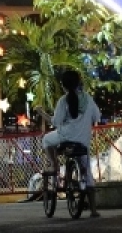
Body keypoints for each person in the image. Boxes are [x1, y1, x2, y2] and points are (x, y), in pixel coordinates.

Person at [42, 70, 101, 218]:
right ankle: (94, 210)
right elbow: (97, 116)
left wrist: (41, 113)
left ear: (64, 85)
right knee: (87, 173)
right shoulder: (87, 99)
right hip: (83, 141)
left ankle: (54, 165)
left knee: (46, 140)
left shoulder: (63, 100)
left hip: (65, 137)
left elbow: (56, 122)